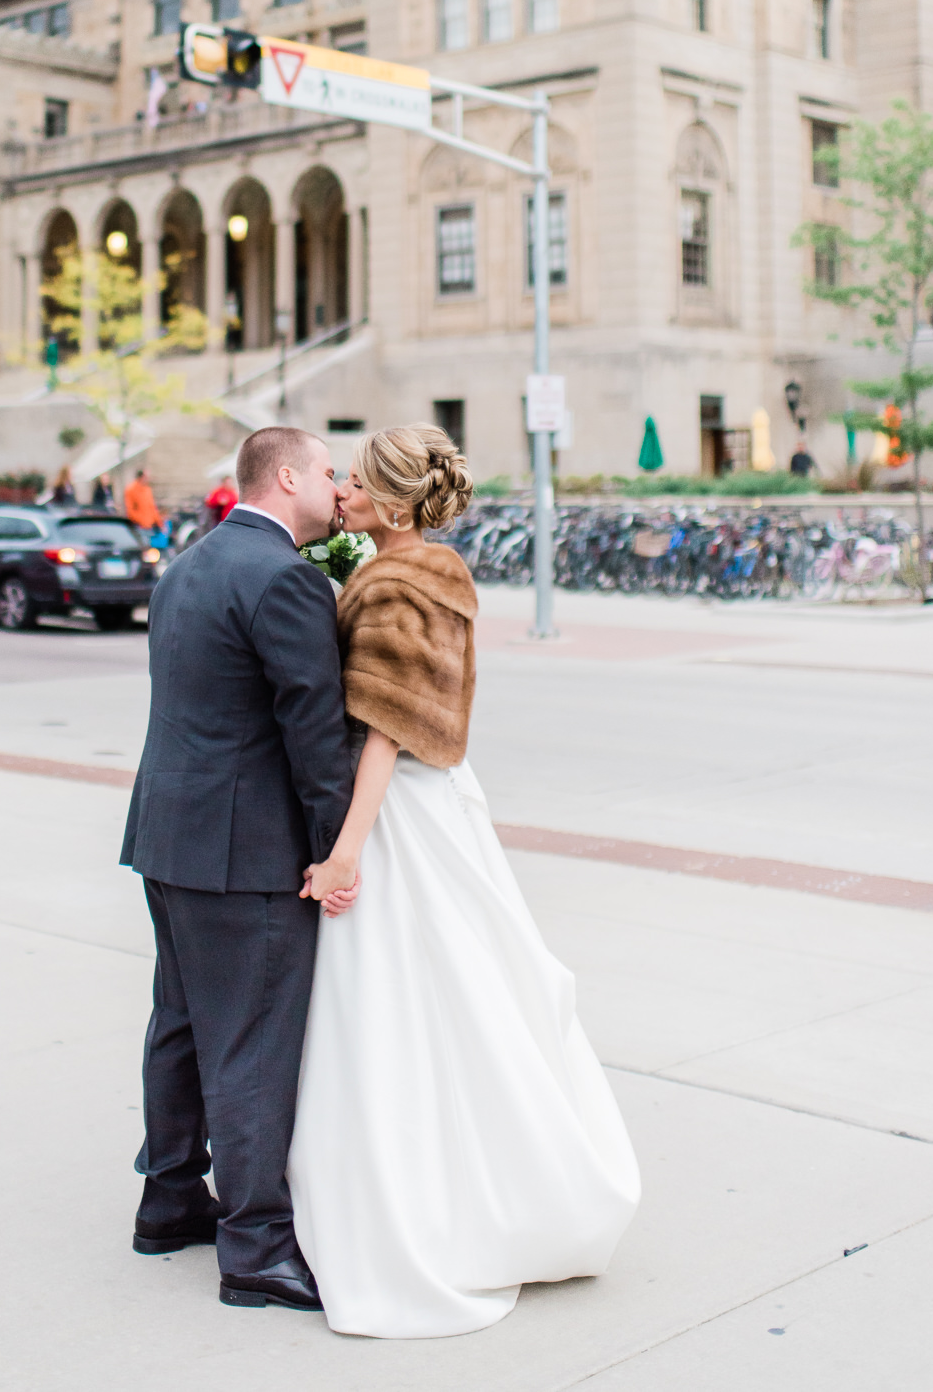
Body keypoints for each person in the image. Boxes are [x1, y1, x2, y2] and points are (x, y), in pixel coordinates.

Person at [287, 422, 641, 1338]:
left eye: (359, 481)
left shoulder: (403, 583)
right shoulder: (412, 569)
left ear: (397, 504)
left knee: (401, 1005)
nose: (345, 490)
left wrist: (350, 848)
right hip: (437, 804)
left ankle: (432, 1210)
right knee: (453, 997)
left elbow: (386, 730)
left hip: (401, 813)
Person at [121, 426, 353, 1312]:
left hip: (167, 837)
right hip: (243, 851)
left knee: (180, 1023)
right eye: (329, 472)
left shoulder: (188, 564)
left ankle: (170, 1198)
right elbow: (314, 735)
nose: (338, 490)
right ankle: (255, 1244)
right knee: (252, 1042)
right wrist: (335, 851)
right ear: (286, 475)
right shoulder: (284, 577)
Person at [124, 466, 164, 536]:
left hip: (149, 526)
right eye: (146, 477)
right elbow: (130, 510)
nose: (148, 479)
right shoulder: (131, 490)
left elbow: (152, 508)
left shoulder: (147, 490)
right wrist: (141, 521)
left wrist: (159, 523)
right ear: (141, 477)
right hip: (138, 526)